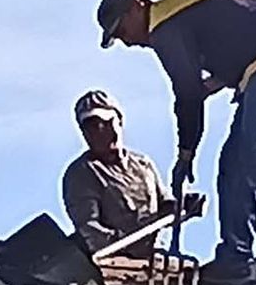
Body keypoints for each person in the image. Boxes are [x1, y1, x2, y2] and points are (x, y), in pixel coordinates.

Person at [97, 0, 256, 285]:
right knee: (234, 167)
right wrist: (210, 87)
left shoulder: (166, 26)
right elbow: (229, 48)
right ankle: (235, 261)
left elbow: (187, 94)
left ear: (137, 7)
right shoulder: (179, 17)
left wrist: (186, 152)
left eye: (121, 30)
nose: (126, 41)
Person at [60, 90, 177, 253]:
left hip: (155, 260)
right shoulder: (81, 173)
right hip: (111, 268)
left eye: (106, 122)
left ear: (119, 121)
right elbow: (89, 228)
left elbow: (165, 207)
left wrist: (182, 206)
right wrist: (124, 244)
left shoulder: (144, 164)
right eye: (92, 126)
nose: (100, 130)